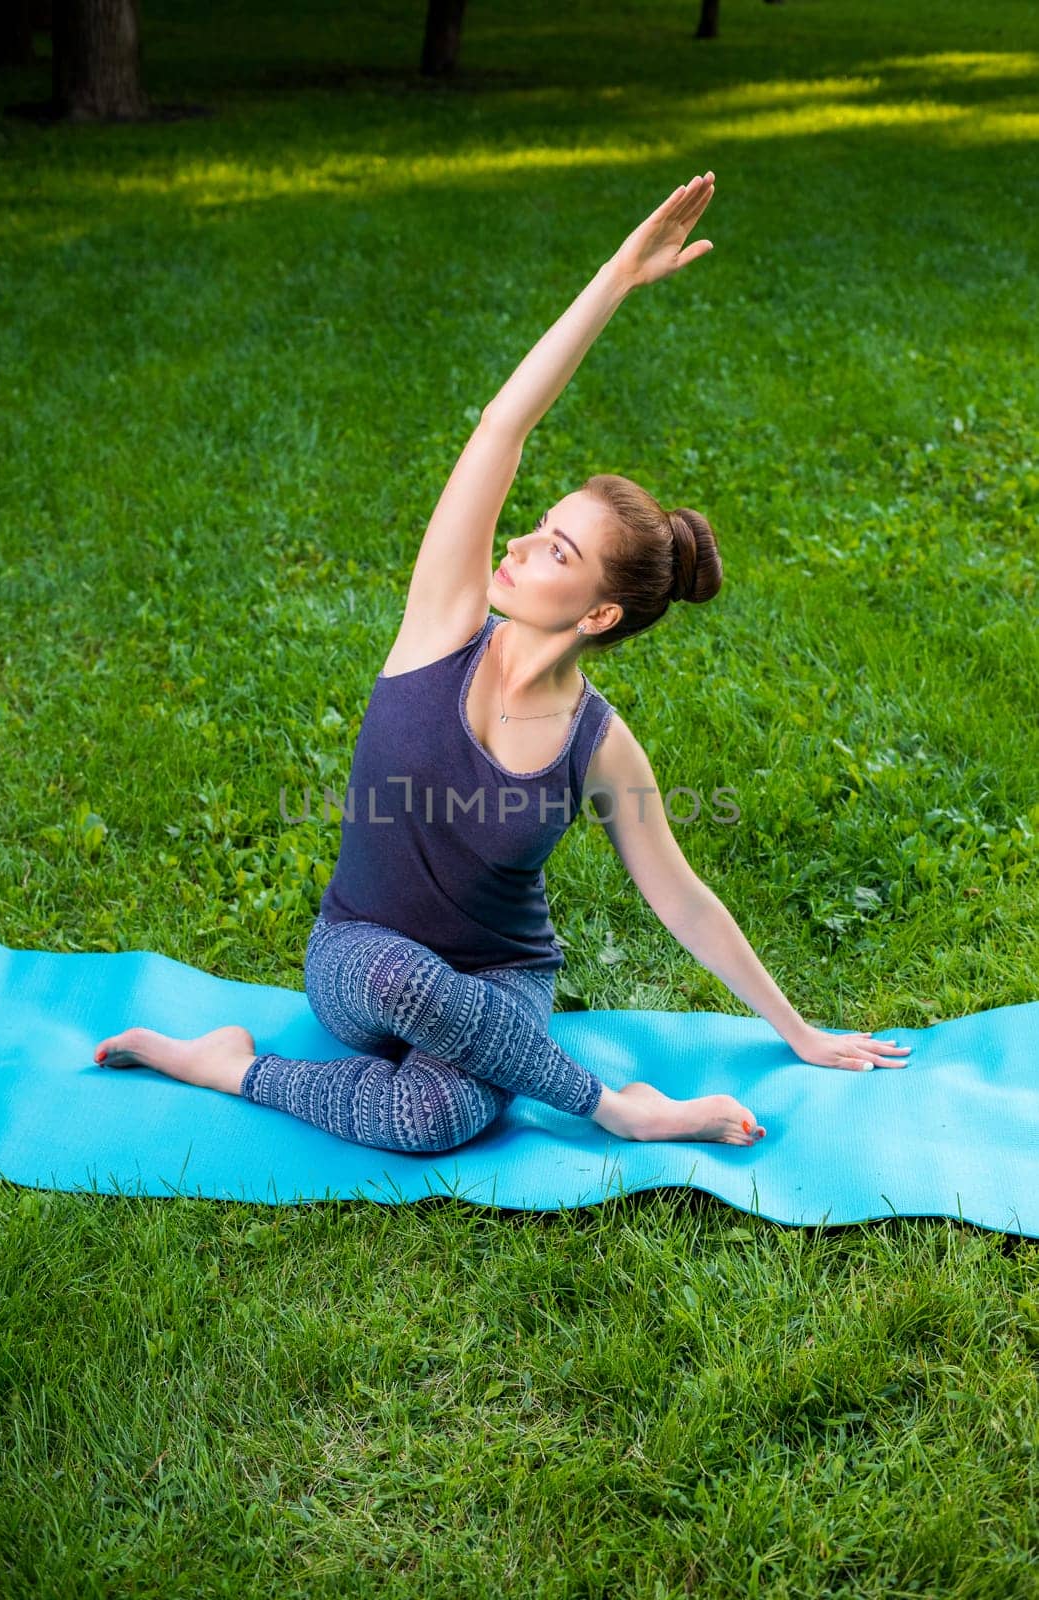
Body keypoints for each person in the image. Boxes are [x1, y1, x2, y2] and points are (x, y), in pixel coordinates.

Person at [93, 172, 910, 1152]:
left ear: (599, 611)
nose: (517, 547)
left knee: (431, 1115)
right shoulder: (441, 618)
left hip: (500, 980)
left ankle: (232, 1065)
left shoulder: (597, 746)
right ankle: (617, 1109)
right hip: (359, 958)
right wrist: (614, 277)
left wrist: (798, 1031)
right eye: (537, 526)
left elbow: (680, 895)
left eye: (554, 552)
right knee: (401, 985)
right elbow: (501, 427)